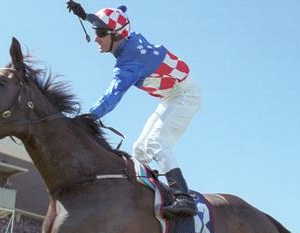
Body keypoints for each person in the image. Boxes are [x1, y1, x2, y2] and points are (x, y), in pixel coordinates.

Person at [66, 1, 202, 218]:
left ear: (116, 36)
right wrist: (85, 16)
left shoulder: (130, 64)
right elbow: (116, 17)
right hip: (171, 97)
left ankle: (183, 198)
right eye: (96, 32)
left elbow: (113, 95)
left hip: (185, 96)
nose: (96, 38)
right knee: (139, 150)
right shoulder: (127, 39)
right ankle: (149, 198)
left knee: (156, 143)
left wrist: (90, 116)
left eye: (101, 33)